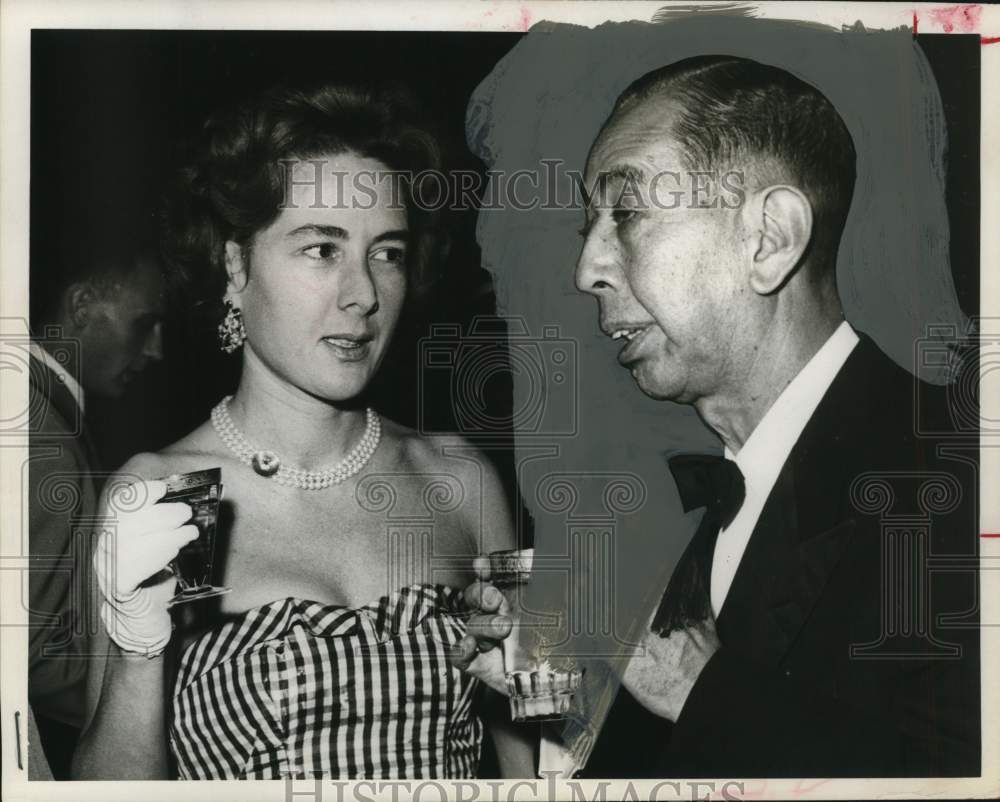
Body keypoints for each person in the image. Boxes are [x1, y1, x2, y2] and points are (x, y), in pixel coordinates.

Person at [456, 55, 979, 777]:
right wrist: (557, 692)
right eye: (589, 226)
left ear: (769, 239)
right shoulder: (718, 503)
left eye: (628, 212)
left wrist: (704, 694)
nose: (588, 270)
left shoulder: (959, 476)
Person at [71, 82, 533, 780]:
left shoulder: (458, 479)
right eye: (322, 248)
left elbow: (531, 772)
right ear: (235, 266)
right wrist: (141, 655)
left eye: (388, 253)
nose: (364, 294)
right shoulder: (171, 494)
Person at [28, 217, 166, 778]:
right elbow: (30, 659)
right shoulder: (43, 439)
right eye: (146, 323)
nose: (157, 350)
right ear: (82, 307)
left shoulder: (48, 415)